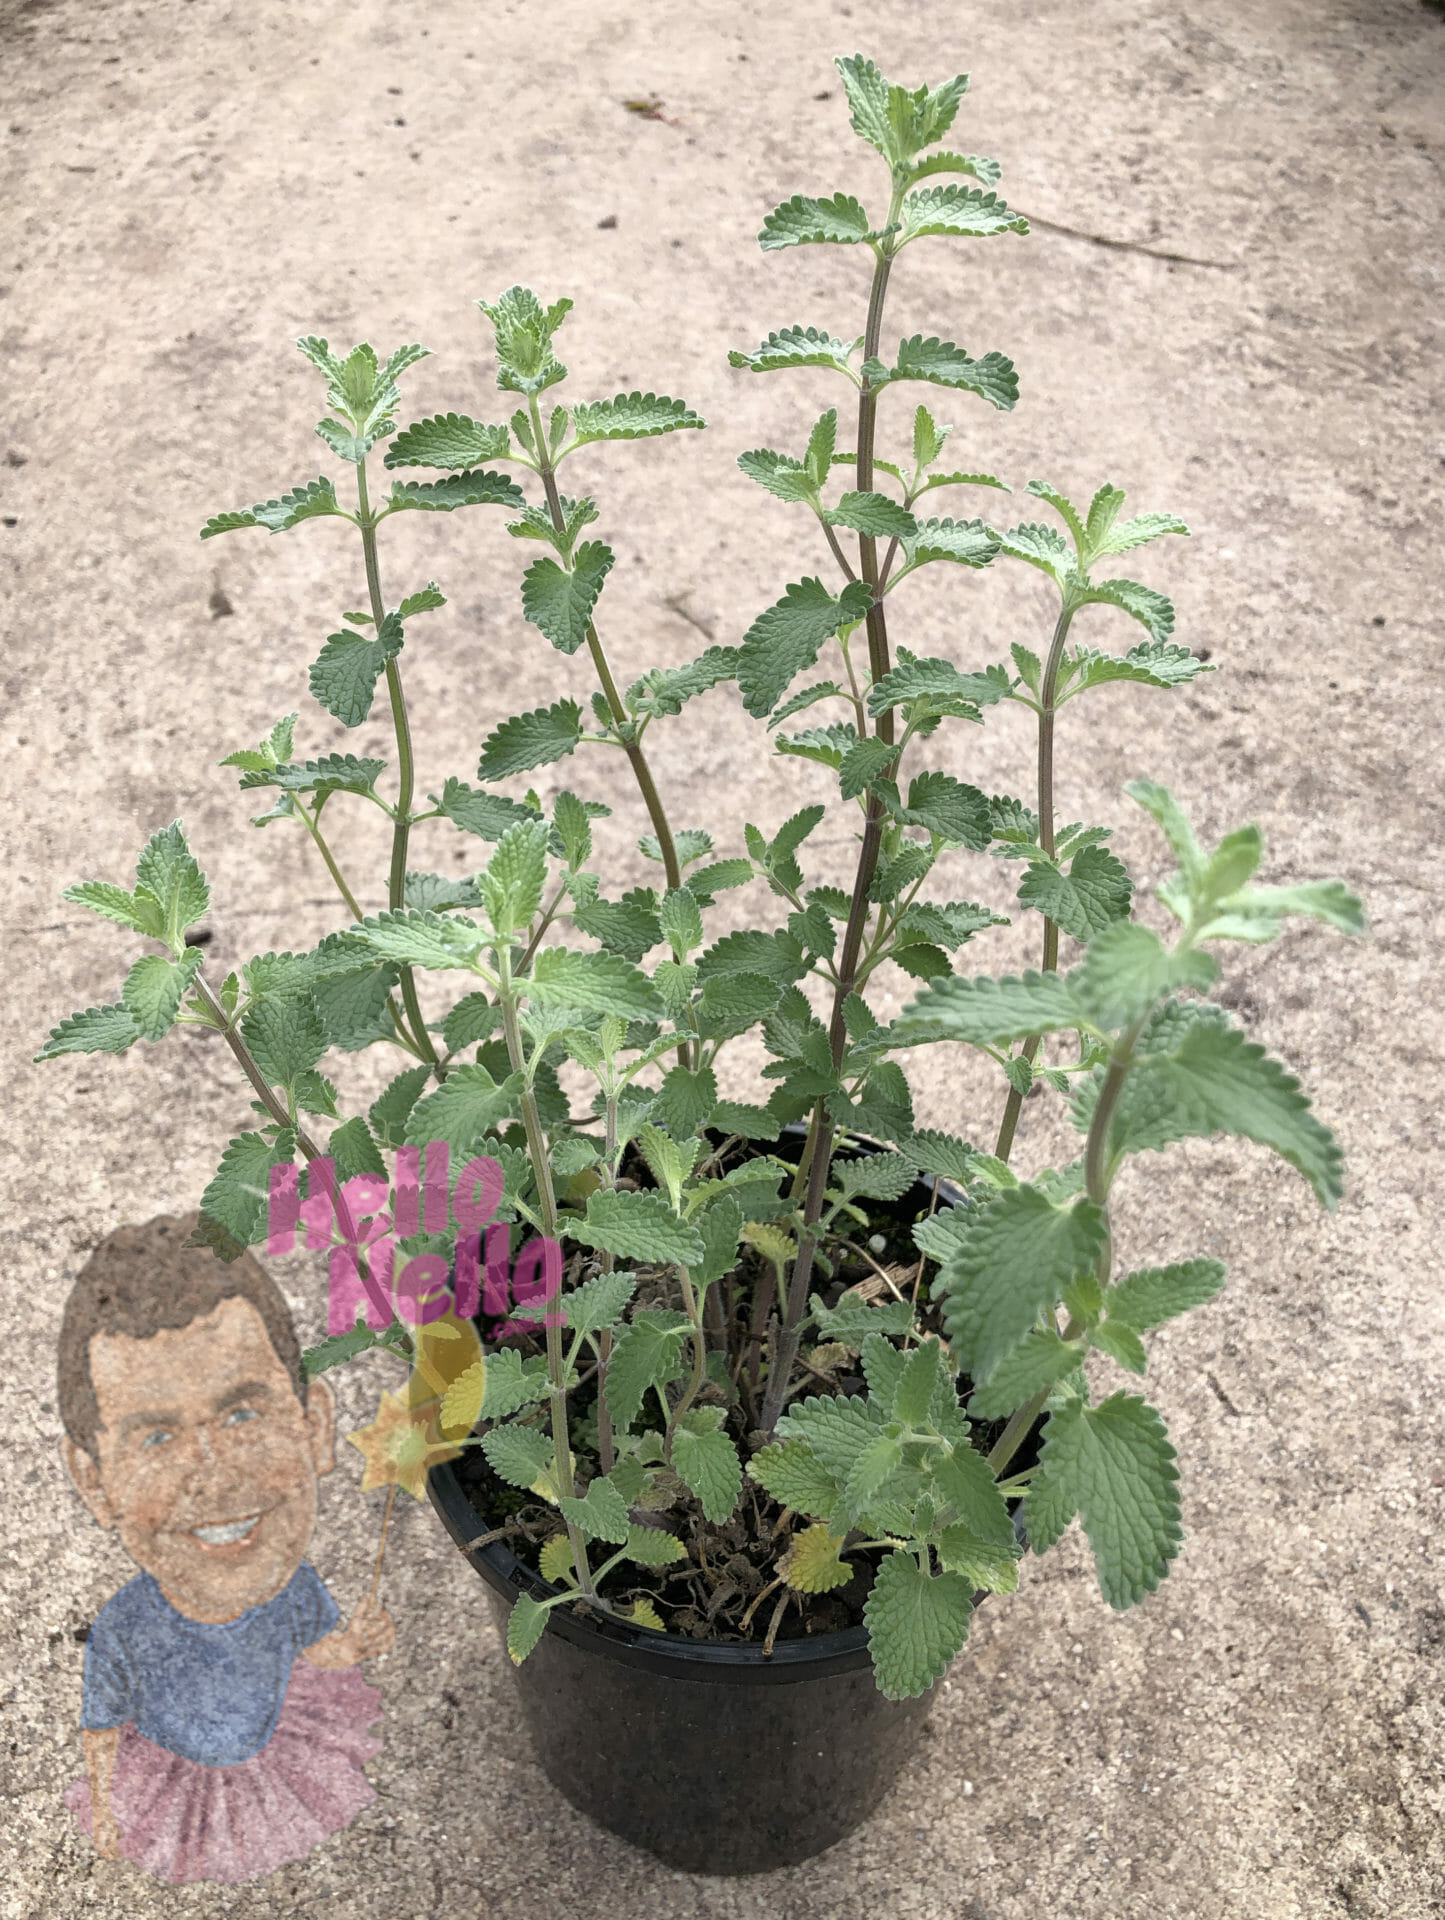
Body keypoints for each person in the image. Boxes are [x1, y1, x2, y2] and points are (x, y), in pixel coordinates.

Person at [56, 1213, 393, 1884]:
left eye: (243, 1413)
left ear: (315, 1425)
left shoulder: (297, 1589)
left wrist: (351, 1647)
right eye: (155, 1437)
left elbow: (311, 1652)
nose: (213, 1474)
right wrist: (103, 1809)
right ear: (93, 1481)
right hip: (173, 1781)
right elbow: (101, 1729)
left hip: (267, 1760)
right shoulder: (122, 1629)